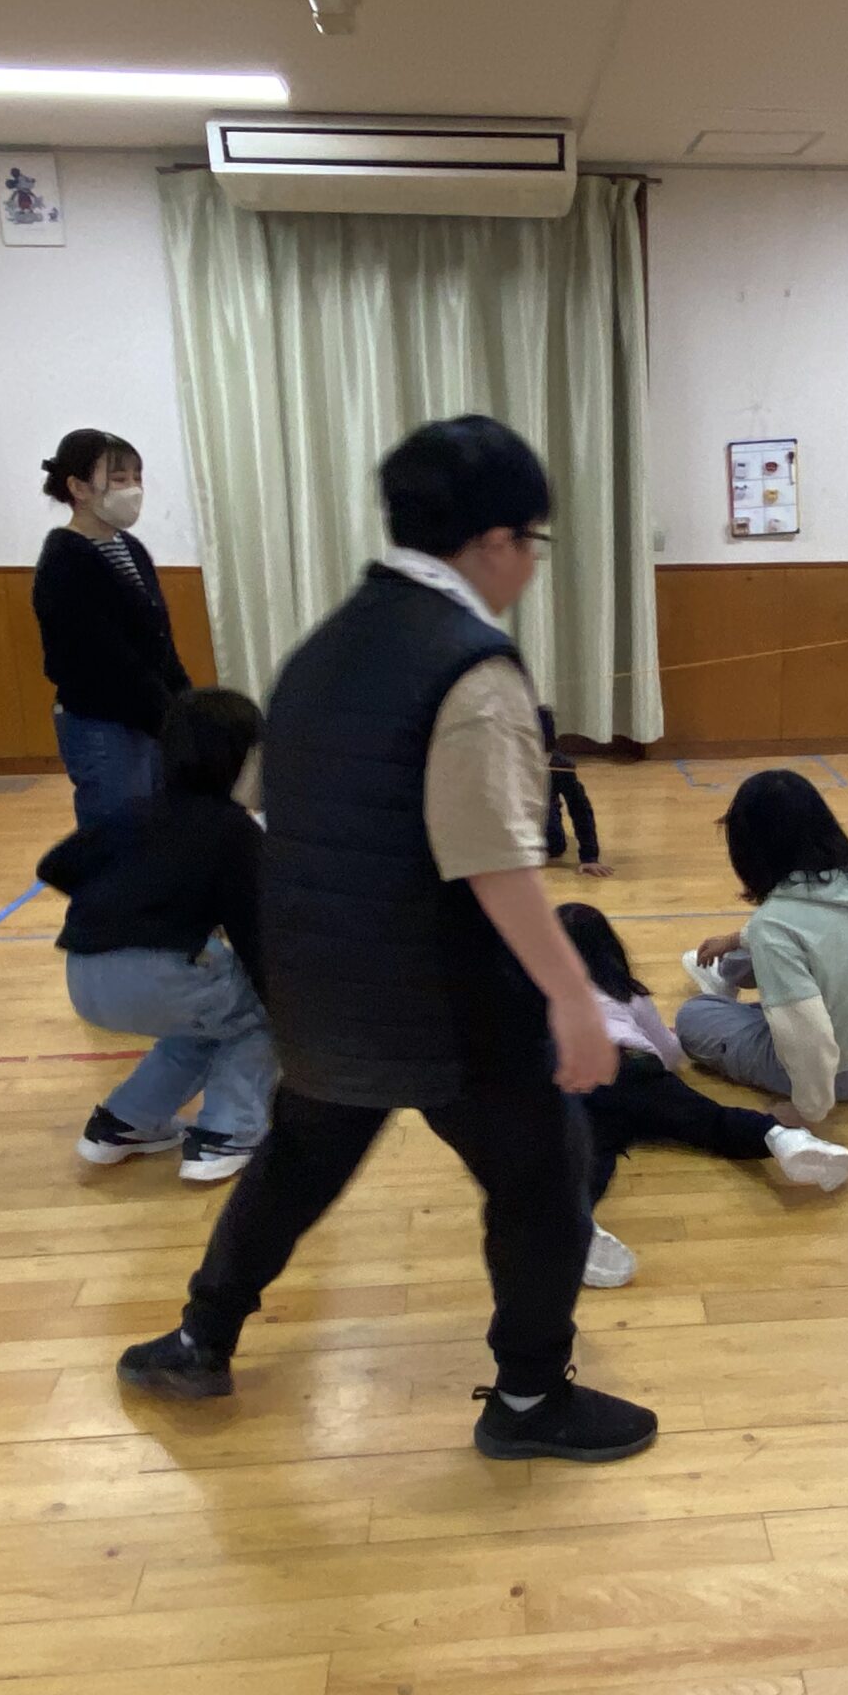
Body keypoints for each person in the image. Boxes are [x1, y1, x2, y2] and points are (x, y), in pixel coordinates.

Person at [115, 415, 657, 1466]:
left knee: (298, 1163)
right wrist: (571, 1000)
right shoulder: (473, 671)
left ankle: (200, 1337)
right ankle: (529, 1400)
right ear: (495, 541)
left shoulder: (317, 652)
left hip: (320, 987)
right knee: (546, 1176)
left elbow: (279, 818)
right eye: (533, 545)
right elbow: (495, 865)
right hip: (448, 1004)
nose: (530, 568)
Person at [38, 688, 275, 1185]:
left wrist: (121, 901)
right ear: (238, 758)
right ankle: (227, 1133)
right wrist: (286, 1006)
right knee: (256, 1015)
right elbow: (256, 937)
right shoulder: (233, 831)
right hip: (161, 974)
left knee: (206, 1021)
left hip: (83, 974)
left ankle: (123, 1122)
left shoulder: (131, 812)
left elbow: (54, 865)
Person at [557, 902, 848, 1287]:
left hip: (581, 1081)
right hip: (635, 1067)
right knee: (710, 1120)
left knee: (589, 1156)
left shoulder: (538, 996)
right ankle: (783, 1138)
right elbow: (668, 1052)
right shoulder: (627, 993)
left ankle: (578, 1226)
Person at [675, 770, 848, 1126]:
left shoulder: (773, 926)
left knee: (693, 1017)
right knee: (758, 943)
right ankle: (725, 973)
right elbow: (800, 929)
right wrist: (733, 940)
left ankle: (723, 984)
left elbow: (807, 1032)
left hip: (840, 1074)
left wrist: (808, 1108)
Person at [32, 429, 192, 830]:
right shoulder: (65, 559)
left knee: (158, 830)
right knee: (118, 837)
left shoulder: (130, 549)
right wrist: (166, 713)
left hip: (148, 717)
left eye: (137, 478)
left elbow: (159, 642)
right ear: (78, 487)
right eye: (119, 479)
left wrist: (185, 705)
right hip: (102, 723)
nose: (133, 489)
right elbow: (103, 657)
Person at [538, 706, 611, 876]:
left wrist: (589, 857)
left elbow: (580, 809)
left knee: (553, 844)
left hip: (542, 815)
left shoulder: (560, 766)